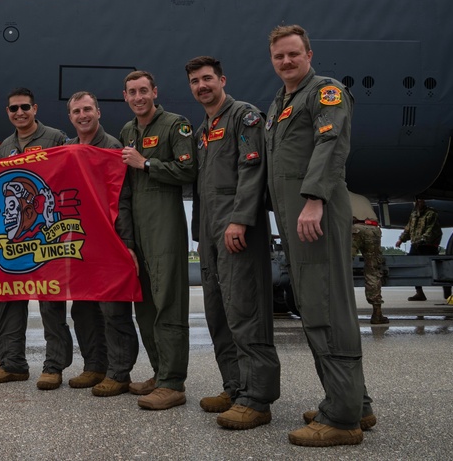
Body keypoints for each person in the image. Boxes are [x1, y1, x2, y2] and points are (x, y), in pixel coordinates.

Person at [266, 25, 375, 446]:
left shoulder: (325, 92)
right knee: (317, 306)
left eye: (294, 54)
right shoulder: (281, 102)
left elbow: (331, 147)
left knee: (325, 309)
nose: (287, 61)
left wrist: (313, 200)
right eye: (279, 56)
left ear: (309, 54)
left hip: (317, 215)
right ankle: (355, 402)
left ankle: (342, 419)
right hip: (297, 220)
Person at [186, 56, 281, 429]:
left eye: (207, 78)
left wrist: (241, 219)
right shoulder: (202, 129)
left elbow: (253, 168)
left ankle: (258, 399)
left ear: (222, 79)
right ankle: (236, 386)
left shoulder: (245, 117)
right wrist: (199, 237)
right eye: (195, 81)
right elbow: (202, 188)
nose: (201, 86)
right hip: (210, 234)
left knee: (246, 312)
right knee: (219, 314)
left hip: (237, 229)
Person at [119, 70, 197, 410]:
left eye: (143, 91)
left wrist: (147, 163)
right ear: (125, 96)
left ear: (155, 91)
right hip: (137, 228)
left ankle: (173, 383)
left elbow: (188, 171)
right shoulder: (127, 130)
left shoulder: (175, 125)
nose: (138, 97)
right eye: (132, 92)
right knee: (145, 306)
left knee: (168, 304)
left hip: (164, 226)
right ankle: (159, 372)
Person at [53, 91, 141, 397]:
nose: (83, 115)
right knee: (84, 308)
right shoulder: (66, 149)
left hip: (108, 240)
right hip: (79, 242)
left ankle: (119, 372)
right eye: (77, 111)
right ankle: (94, 366)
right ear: (70, 117)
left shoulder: (112, 148)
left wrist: (126, 243)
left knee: (113, 310)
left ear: (98, 112)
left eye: (87, 109)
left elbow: (122, 200)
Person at [0, 87, 67, 386]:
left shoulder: (55, 137)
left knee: (50, 303)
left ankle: (54, 366)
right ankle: (13, 363)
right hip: (14, 242)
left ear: (35, 108)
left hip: (46, 238)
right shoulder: (4, 146)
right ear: (8, 112)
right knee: (10, 302)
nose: (19, 113)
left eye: (24, 107)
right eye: (13, 108)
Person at [350, 192, 388, 324]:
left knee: (343, 269)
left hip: (354, 228)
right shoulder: (363, 197)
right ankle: (377, 313)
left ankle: (342, 312)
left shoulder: (337, 194)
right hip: (373, 229)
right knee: (373, 270)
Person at [395, 198, 444, 301]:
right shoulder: (413, 215)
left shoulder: (431, 214)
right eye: (416, 201)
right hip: (416, 245)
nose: (418, 203)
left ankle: (446, 288)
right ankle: (419, 292)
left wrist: (422, 240)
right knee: (411, 266)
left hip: (428, 246)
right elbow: (408, 229)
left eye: (420, 201)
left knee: (436, 268)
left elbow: (431, 230)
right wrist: (401, 240)